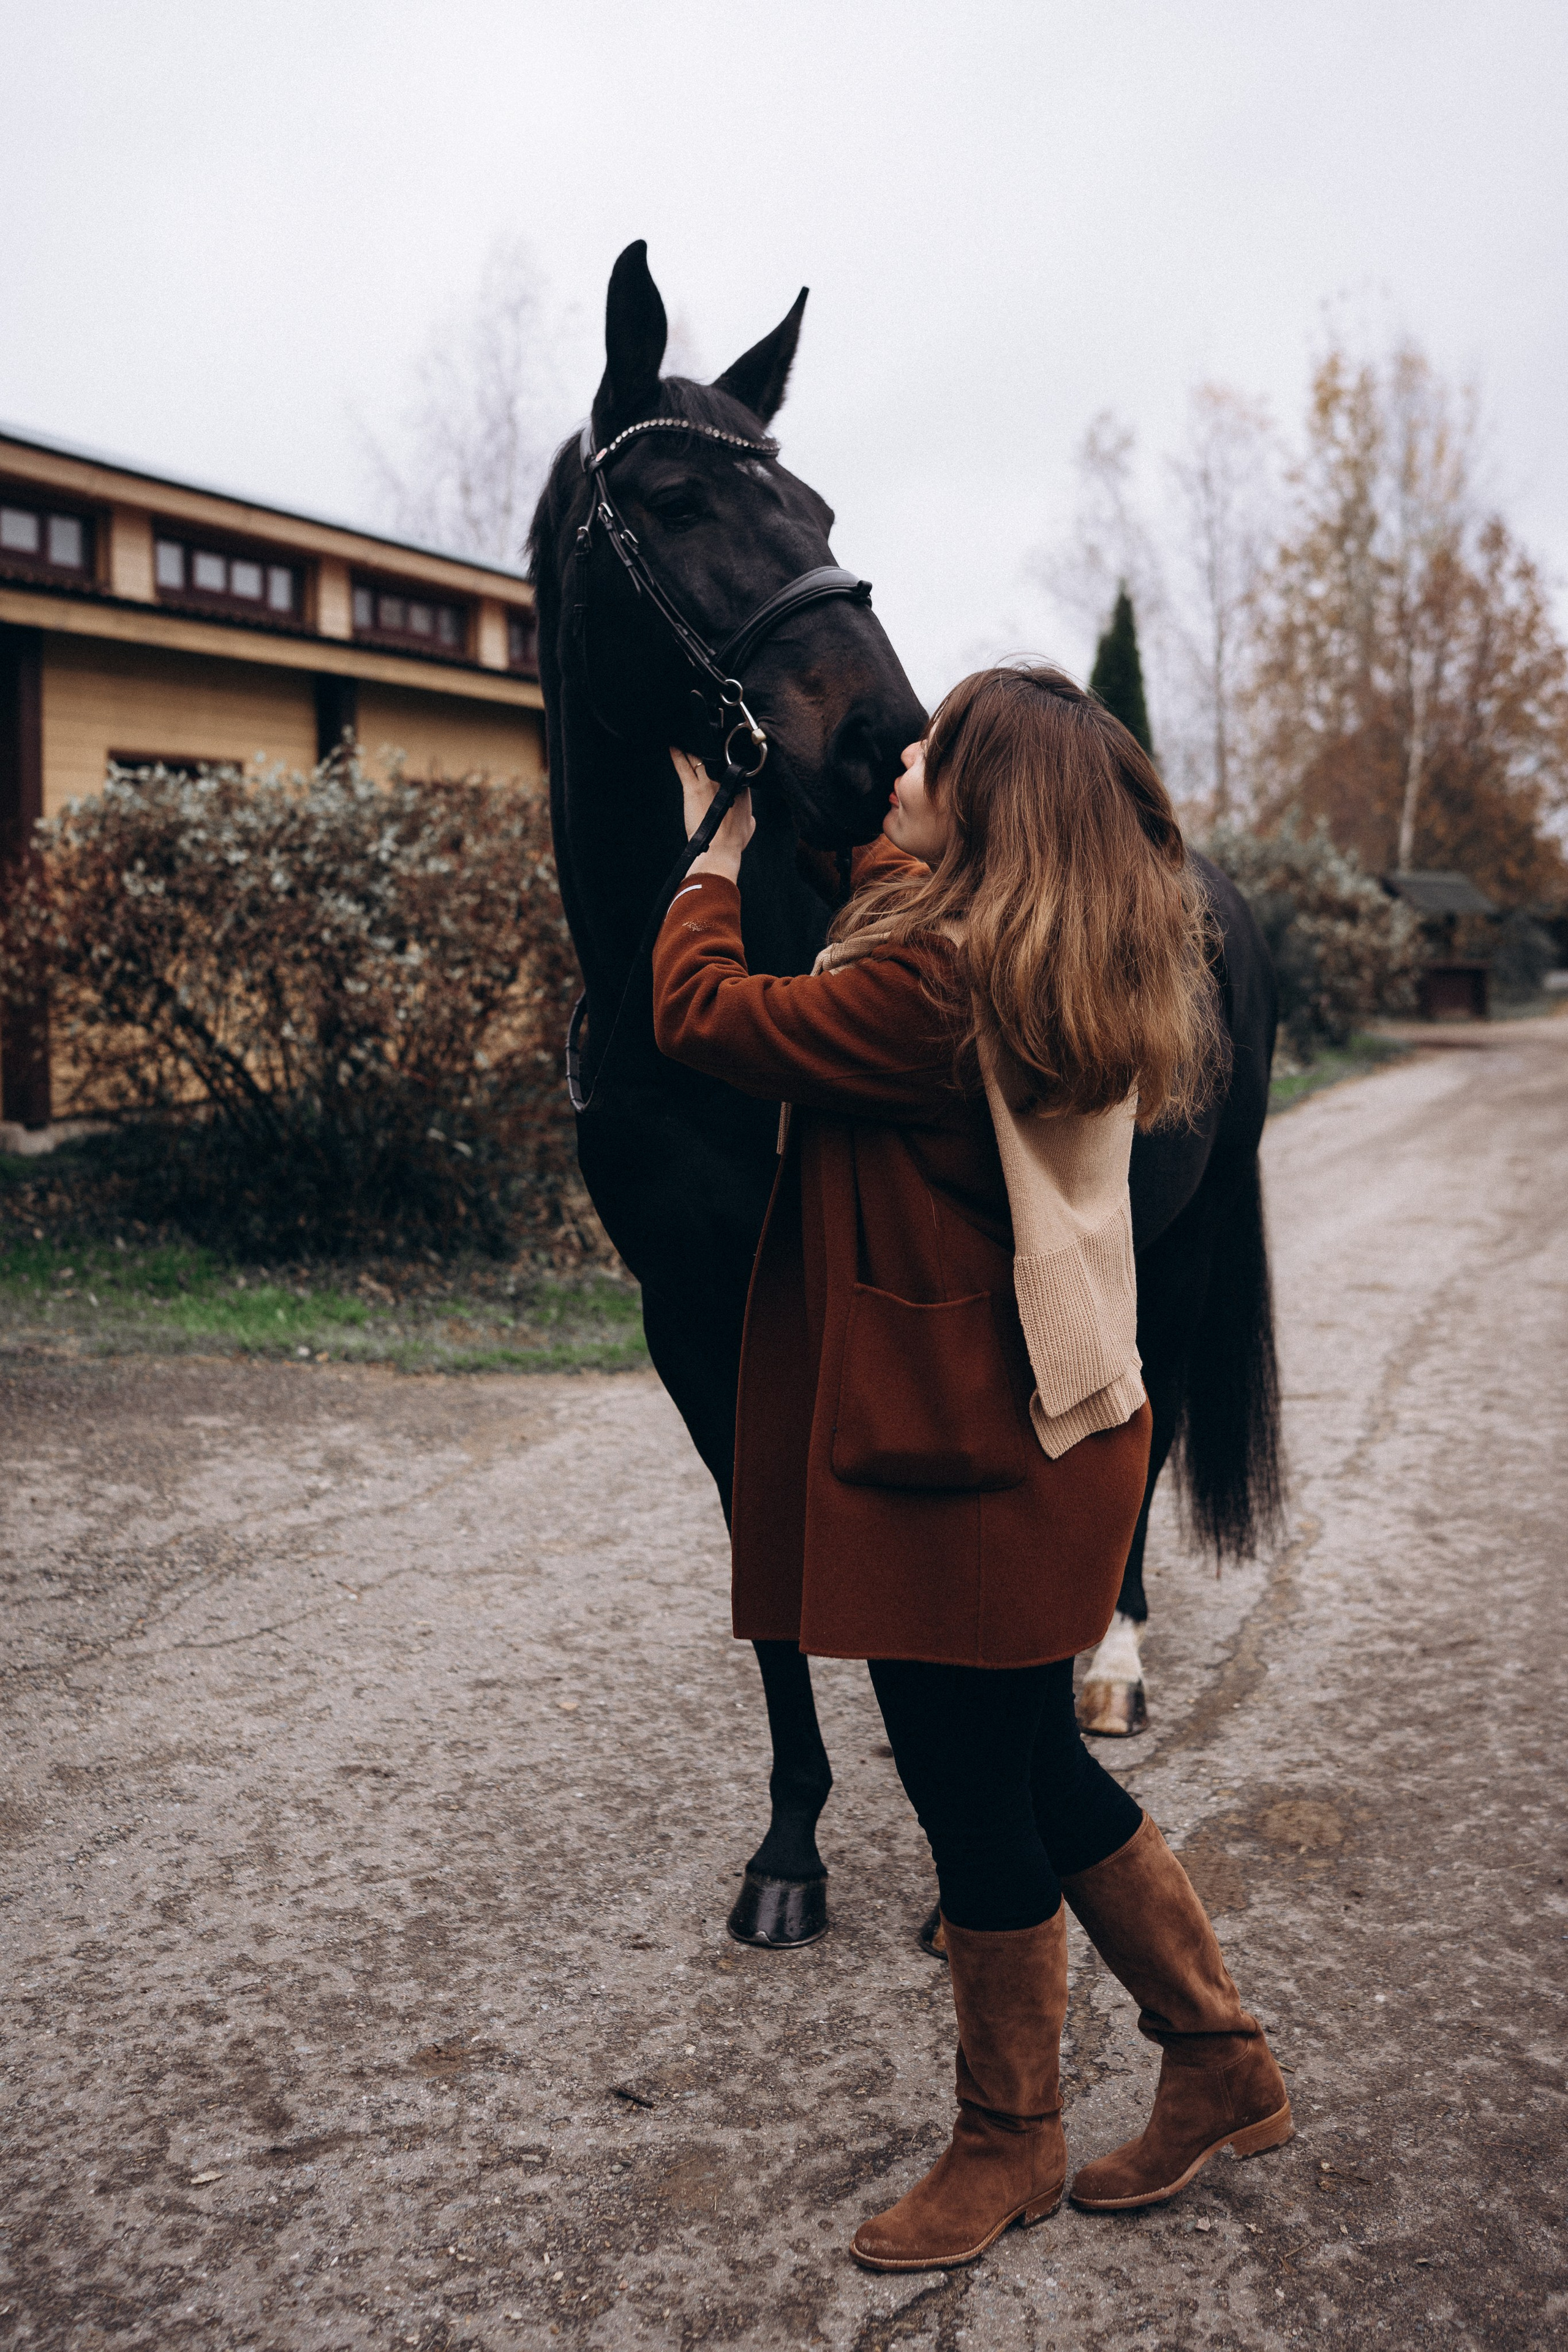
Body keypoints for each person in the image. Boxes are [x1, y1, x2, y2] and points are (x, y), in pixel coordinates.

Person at [652, 665, 1292, 2272]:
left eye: (932, 750)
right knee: (1031, 1768)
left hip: (959, 1453)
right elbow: (894, 901)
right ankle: (1217, 2057)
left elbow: (704, 1017)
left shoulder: (932, 992)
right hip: (1038, 1431)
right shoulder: (1038, 956)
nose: (904, 753)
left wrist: (707, 862)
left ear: (989, 816)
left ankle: (1008, 2143)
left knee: (970, 1785)